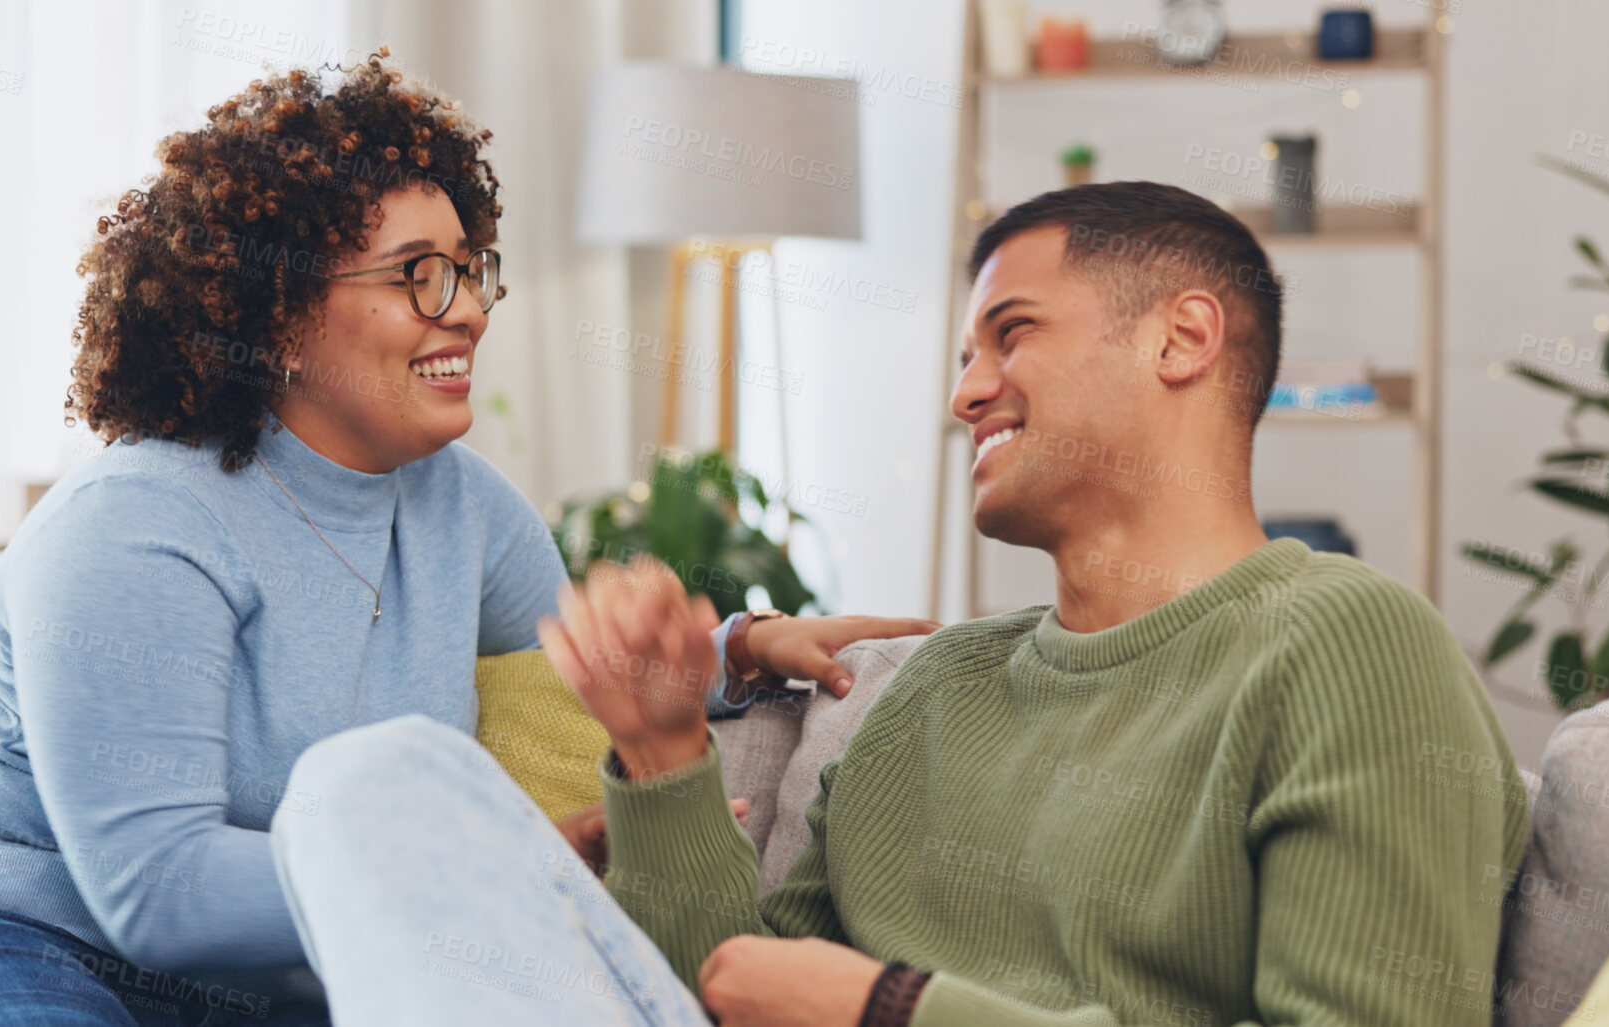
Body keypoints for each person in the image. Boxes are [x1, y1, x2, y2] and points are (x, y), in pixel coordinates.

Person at [0, 53, 933, 1026]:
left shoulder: (462, 506)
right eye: (418, 277)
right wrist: (483, 858)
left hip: (251, 989)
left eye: (469, 269)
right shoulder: (136, 520)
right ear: (275, 312)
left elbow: (584, 666)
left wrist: (739, 650)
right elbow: (157, 889)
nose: (468, 309)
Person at [267, 182, 1527, 1026]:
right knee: (366, 783)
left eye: (1010, 334)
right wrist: (658, 749)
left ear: (1182, 338)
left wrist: (897, 1009)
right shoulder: (936, 683)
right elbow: (728, 987)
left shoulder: (1347, 643)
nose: (967, 393)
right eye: (965, 357)